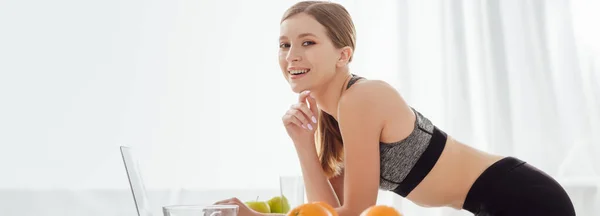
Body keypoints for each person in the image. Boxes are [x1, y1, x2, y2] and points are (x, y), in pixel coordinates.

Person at [214, 1, 576, 215]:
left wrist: (302, 149)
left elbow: (353, 214)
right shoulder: (332, 118)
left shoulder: (362, 98)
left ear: (344, 54)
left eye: (307, 42)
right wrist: (304, 144)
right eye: (283, 44)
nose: (292, 55)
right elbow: (328, 214)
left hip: (526, 199)